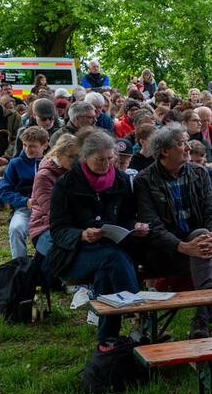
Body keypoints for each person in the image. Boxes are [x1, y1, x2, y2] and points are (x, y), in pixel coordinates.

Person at [48, 131, 150, 342]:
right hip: (74, 253)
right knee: (113, 258)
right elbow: (57, 229)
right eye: (100, 160)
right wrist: (82, 235)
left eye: (111, 159)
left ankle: (107, 342)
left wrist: (135, 226)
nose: (107, 164)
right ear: (85, 157)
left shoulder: (120, 180)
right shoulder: (65, 184)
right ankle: (139, 313)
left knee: (106, 272)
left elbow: (127, 217)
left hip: (110, 249)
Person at [134, 124, 212, 339]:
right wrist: (182, 247)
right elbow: (152, 226)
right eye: (182, 143)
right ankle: (207, 310)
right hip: (165, 251)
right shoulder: (144, 180)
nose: (188, 148)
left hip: (200, 245)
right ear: (165, 150)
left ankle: (202, 315)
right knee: (201, 243)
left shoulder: (199, 173)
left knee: (203, 233)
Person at [28, 133, 80, 259]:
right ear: (58, 154)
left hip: (72, 224)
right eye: (72, 157)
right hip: (44, 228)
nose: (76, 161)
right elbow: (53, 211)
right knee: (67, 258)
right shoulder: (44, 176)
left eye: (79, 156)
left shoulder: (75, 171)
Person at [0, 125, 47, 258]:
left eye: (32, 146)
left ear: (44, 145)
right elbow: (4, 190)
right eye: (24, 145)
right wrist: (25, 201)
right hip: (25, 208)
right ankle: (20, 265)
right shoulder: (15, 164)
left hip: (48, 209)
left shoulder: (51, 162)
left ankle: (45, 264)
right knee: (16, 228)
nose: (27, 149)